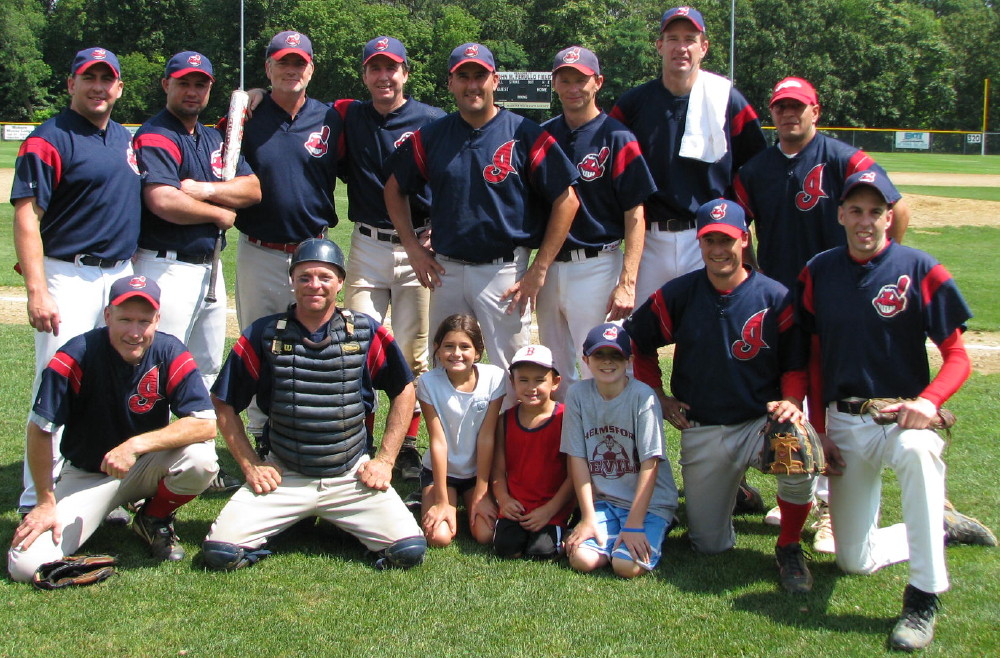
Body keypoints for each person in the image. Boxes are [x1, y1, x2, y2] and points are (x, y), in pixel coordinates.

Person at [797, 171, 993, 650]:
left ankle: (924, 595)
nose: (866, 221)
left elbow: (958, 356)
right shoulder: (818, 271)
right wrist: (820, 433)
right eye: (856, 211)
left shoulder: (919, 267)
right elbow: (813, 359)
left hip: (901, 415)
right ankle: (934, 527)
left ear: (891, 216)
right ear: (840, 214)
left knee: (920, 450)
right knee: (853, 561)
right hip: (844, 420)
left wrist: (929, 401)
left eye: (876, 211)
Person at [624, 199, 817, 593]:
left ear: (743, 240)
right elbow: (637, 342)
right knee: (709, 545)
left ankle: (789, 545)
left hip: (758, 424)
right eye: (710, 240)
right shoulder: (680, 294)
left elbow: (795, 364)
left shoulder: (774, 297)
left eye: (726, 239)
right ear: (700, 243)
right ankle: (737, 490)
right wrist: (659, 396)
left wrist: (793, 402)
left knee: (795, 448)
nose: (718, 249)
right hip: (703, 425)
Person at [202, 239, 426, 571]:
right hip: (284, 473)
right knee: (221, 553)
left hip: (349, 474)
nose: (314, 285)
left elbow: (404, 390)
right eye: (305, 277)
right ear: (291, 281)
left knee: (407, 551)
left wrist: (385, 460)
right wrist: (251, 466)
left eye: (324, 277)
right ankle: (306, 517)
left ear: (340, 282)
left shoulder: (364, 331)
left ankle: (329, 519)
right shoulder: (264, 334)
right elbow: (224, 403)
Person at [385, 42, 580, 386]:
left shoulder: (524, 133)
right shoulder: (433, 135)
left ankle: (507, 442)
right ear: (450, 83)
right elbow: (394, 188)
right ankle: (447, 442)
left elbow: (567, 200)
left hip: (504, 272)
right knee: (445, 368)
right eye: (463, 76)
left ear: (495, 80)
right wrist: (413, 248)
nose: (472, 85)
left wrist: (540, 267)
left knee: (512, 372)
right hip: (446, 267)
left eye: (480, 75)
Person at [8, 275, 219, 582]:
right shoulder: (74, 355)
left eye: (144, 321)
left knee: (202, 461)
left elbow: (205, 424)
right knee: (27, 565)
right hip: (87, 475)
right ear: (108, 316)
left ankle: (153, 517)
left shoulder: (169, 351)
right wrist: (44, 502)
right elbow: (41, 429)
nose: (134, 332)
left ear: (157, 319)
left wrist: (133, 446)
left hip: (143, 465)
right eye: (125, 319)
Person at [11, 47, 141, 516]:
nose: (99, 86)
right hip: (69, 273)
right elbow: (27, 217)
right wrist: (38, 289)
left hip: (118, 277)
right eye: (89, 77)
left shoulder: (122, 137)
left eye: (108, 78)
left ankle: (103, 490)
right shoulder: (49, 138)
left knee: (112, 384)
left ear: (119, 87)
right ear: (71, 84)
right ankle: (36, 498)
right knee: (57, 386)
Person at [234, 30, 349, 438]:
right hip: (259, 251)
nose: (291, 70)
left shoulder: (331, 117)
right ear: (268, 68)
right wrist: (246, 97)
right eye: (283, 62)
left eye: (299, 63)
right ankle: (261, 430)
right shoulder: (246, 117)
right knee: (258, 341)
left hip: (313, 253)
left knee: (312, 341)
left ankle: (305, 428)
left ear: (311, 69)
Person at [609, 6, 766, 305]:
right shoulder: (635, 103)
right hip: (650, 238)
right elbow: (610, 164)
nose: (681, 47)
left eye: (690, 39)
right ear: (660, 45)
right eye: (673, 38)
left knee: (713, 327)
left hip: (710, 235)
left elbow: (756, 167)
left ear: (703, 47)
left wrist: (739, 222)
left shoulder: (725, 98)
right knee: (634, 331)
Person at [341, 36, 446, 480]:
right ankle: (358, 440)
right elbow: (295, 98)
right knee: (355, 348)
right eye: (375, 68)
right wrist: (256, 94)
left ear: (405, 73)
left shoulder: (431, 119)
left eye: (392, 68)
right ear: (365, 74)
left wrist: (436, 233)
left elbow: (452, 178)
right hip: (366, 244)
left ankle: (405, 444)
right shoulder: (348, 114)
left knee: (412, 354)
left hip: (418, 247)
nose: (384, 76)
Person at [133, 51, 261, 393]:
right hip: (165, 265)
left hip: (210, 268)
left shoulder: (212, 138)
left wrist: (203, 190)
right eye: (183, 83)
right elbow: (162, 199)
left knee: (205, 368)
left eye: (200, 84)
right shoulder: (157, 133)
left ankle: (197, 443)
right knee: (155, 368)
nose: (192, 91)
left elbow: (252, 189)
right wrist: (219, 212)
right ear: (166, 85)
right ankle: (149, 445)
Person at [538, 46, 655, 392]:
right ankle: (564, 445)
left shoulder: (617, 136)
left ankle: (611, 445)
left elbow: (635, 212)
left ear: (598, 82)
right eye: (565, 79)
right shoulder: (544, 135)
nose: (574, 87)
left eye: (581, 79)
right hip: (549, 266)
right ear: (555, 84)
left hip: (597, 263)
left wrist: (628, 281)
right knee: (552, 369)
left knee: (602, 366)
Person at [561, 323, 679, 579]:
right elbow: (577, 458)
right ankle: (611, 528)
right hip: (606, 501)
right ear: (585, 359)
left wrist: (635, 524)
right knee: (582, 559)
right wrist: (588, 517)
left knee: (625, 566)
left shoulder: (643, 396)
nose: (607, 362)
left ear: (629, 360)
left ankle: (659, 524)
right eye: (599, 355)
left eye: (616, 355)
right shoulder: (577, 394)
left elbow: (651, 462)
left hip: (650, 505)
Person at [417, 314, 506, 548]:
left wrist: (481, 492)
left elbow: (487, 437)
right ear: (437, 349)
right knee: (439, 538)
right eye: (448, 346)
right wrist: (441, 501)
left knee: (486, 535)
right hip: (441, 472)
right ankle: (430, 498)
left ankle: (469, 499)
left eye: (464, 347)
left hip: (478, 473)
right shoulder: (428, 382)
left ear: (478, 352)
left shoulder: (494, 378)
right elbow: (438, 442)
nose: (456, 353)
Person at [491, 345, 574, 560]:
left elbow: (575, 476)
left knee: (542, 552)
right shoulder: (505, 421)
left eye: (539, 380)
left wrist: (549, 510)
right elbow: (498, 471)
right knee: (506, 549)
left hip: (553, 508)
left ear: (555, 382)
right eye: (524, 380)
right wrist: (504, 500)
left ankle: (571, 528)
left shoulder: (566, 419)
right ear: (513, 382)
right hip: (517, 507)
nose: (531, 387)